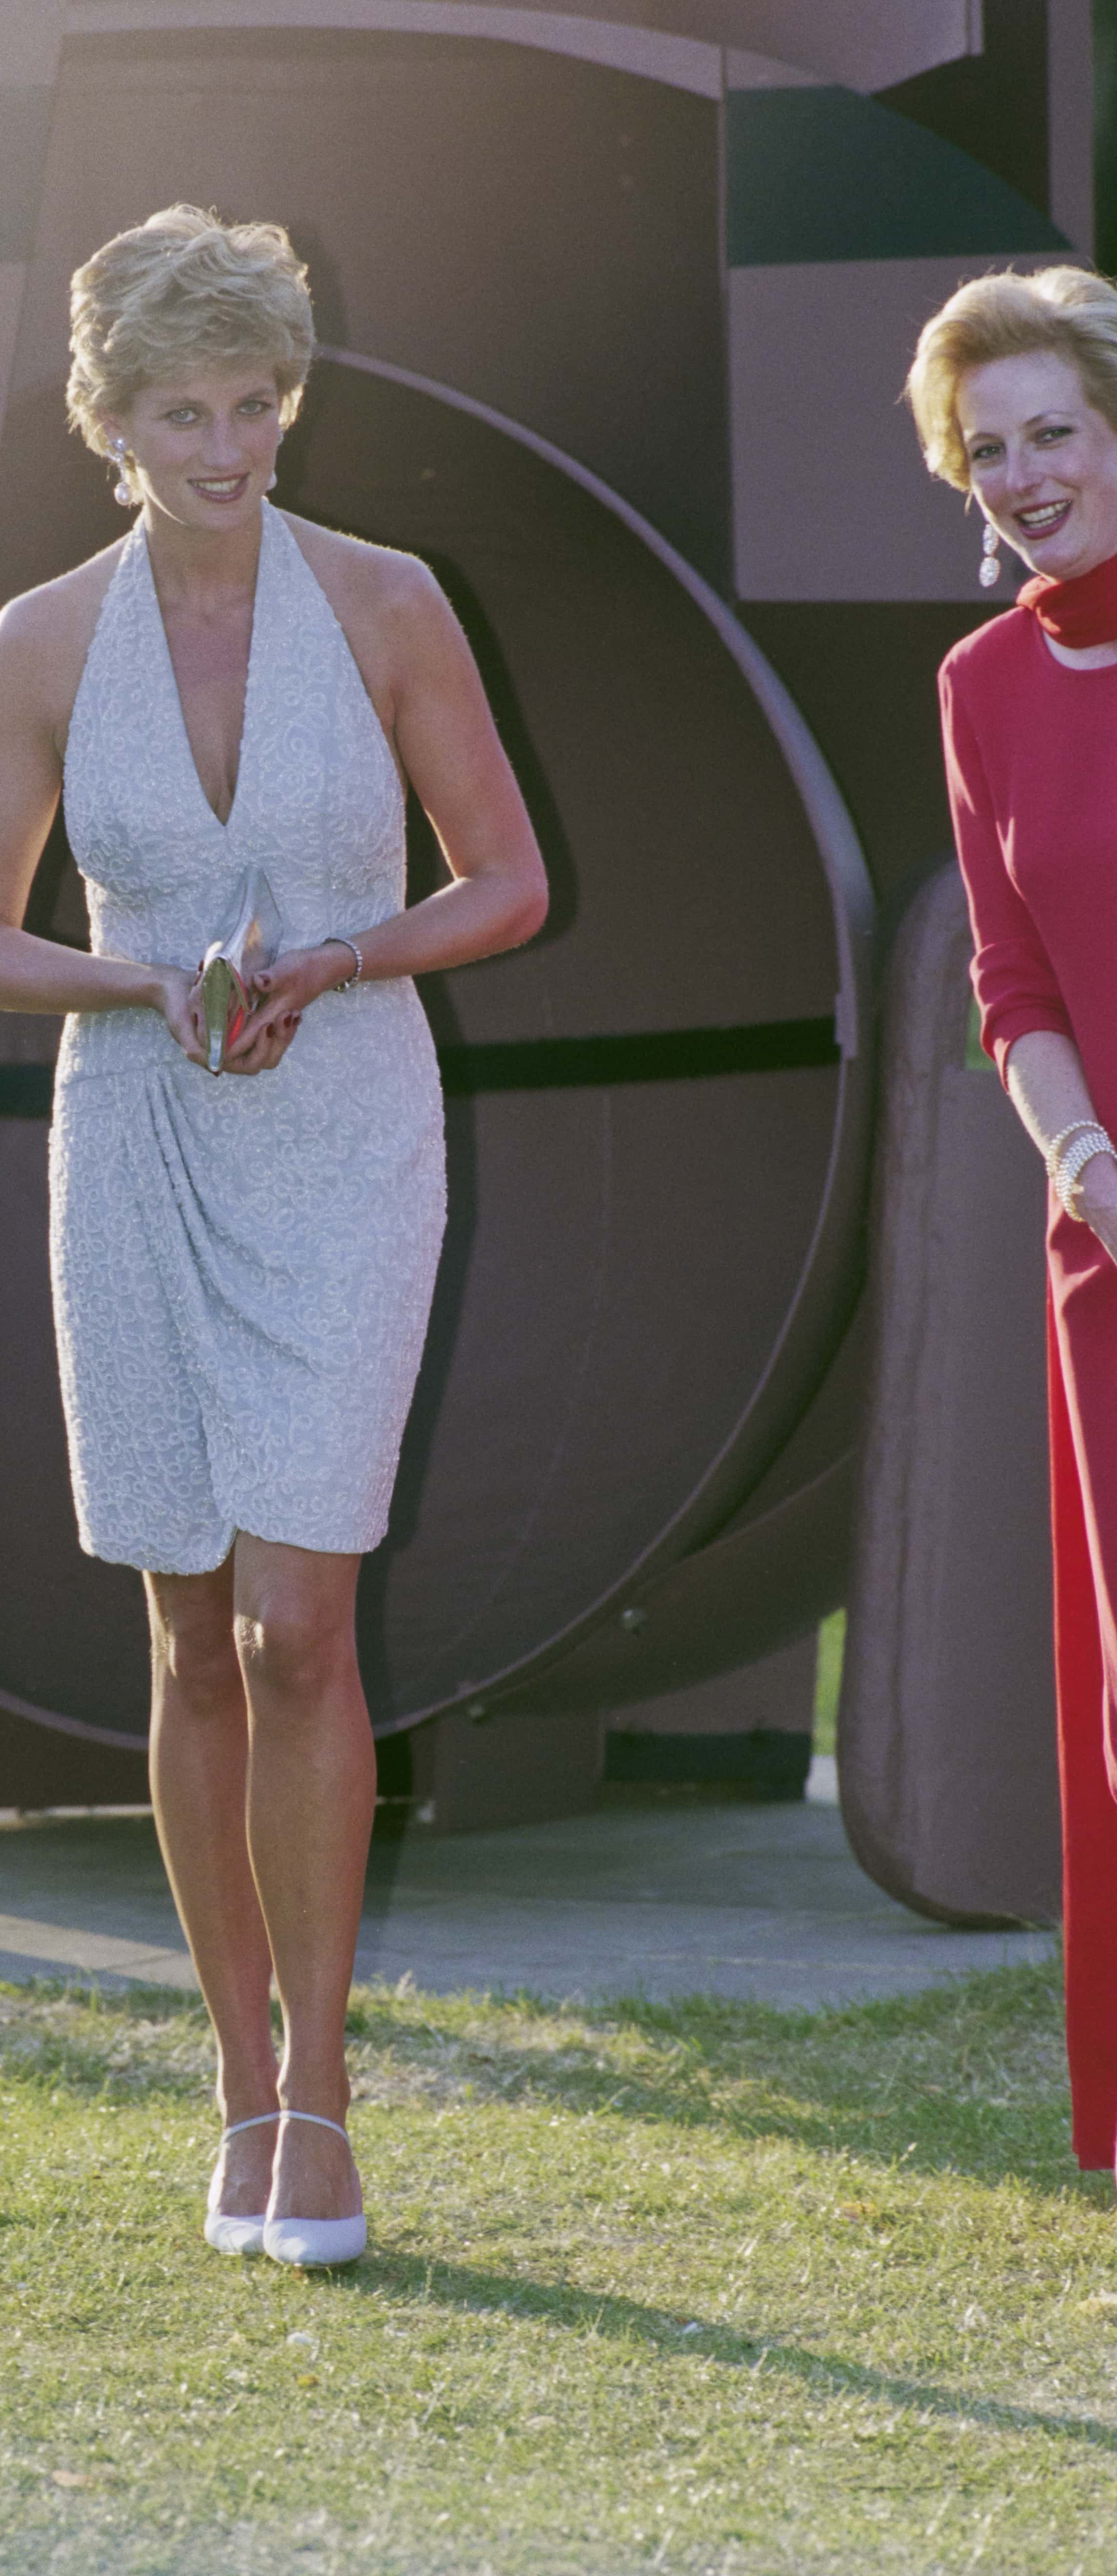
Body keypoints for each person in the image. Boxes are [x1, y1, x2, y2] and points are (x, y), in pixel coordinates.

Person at [0, 207, 546, 2262]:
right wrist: (150, 984)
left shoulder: (383, 601)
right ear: (110, 418)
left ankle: (327, 2098)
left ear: (293, 400)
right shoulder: (36, 639)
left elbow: (509, 882)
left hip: (348, 1131)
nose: (226, 445)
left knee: (299, 1621)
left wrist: (334, 959)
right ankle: (232, 2078)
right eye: (183, 410)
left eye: (257, 403)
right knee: (188, 1632)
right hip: (131, 1144)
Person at [908, 264, 1117, 2178]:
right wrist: (1080, 1165)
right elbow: (1009, 985)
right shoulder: (975, 690)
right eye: (987, 450)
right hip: (1108, 1253)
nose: (1023, 472)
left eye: (1051, 428)